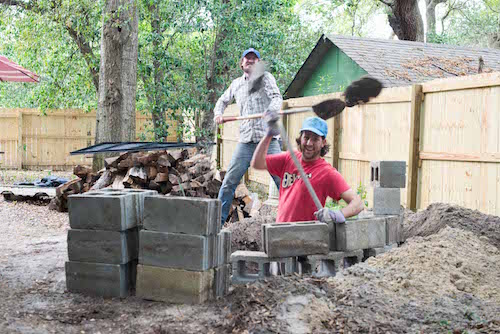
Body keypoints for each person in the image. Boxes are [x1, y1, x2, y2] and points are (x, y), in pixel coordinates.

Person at [251, 116, 364, 223]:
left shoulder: (327, 173)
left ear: (323, 143)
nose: (309, 143)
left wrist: (336, 215)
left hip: (307, 237)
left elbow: (358, 204)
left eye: (315, 139)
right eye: (306, 137)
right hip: (280, 231)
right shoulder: (290, 158)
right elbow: (257, 163)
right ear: (301, 138)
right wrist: (268, 135)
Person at [214, 48, 282, 226]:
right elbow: (222, 101)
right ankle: (217, 224)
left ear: (258, 63)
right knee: (229, 182)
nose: (250, 61)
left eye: (254, 59)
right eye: (247, 59)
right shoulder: (236, 84)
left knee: (282, 181)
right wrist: (218, 114)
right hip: (245, 141)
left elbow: (276, 98)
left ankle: (295, 219)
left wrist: (271, 110)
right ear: (241, 63)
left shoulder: (265, 78)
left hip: (267, 140)